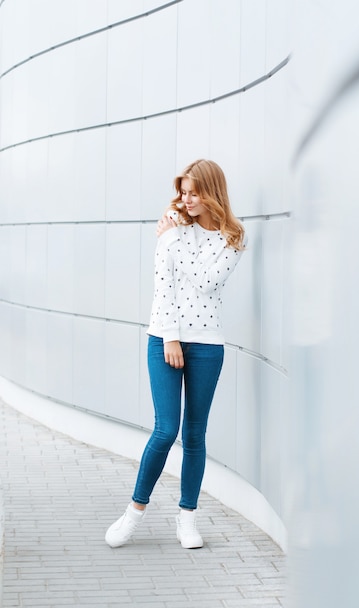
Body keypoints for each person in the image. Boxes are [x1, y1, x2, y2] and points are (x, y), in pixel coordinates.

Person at [105, 159, 246, 549]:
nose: (185, 200)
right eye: (182, 192)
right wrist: (169, 338)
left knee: (195, 435)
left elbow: (205, 281)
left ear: (212, 192)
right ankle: (133, 513)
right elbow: (163, 286)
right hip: (164, 337)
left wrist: (169, 241)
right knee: (166, 429)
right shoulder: (173, 225)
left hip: (207, 344)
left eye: (193, 193)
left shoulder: (233, 237)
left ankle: (187, 520)